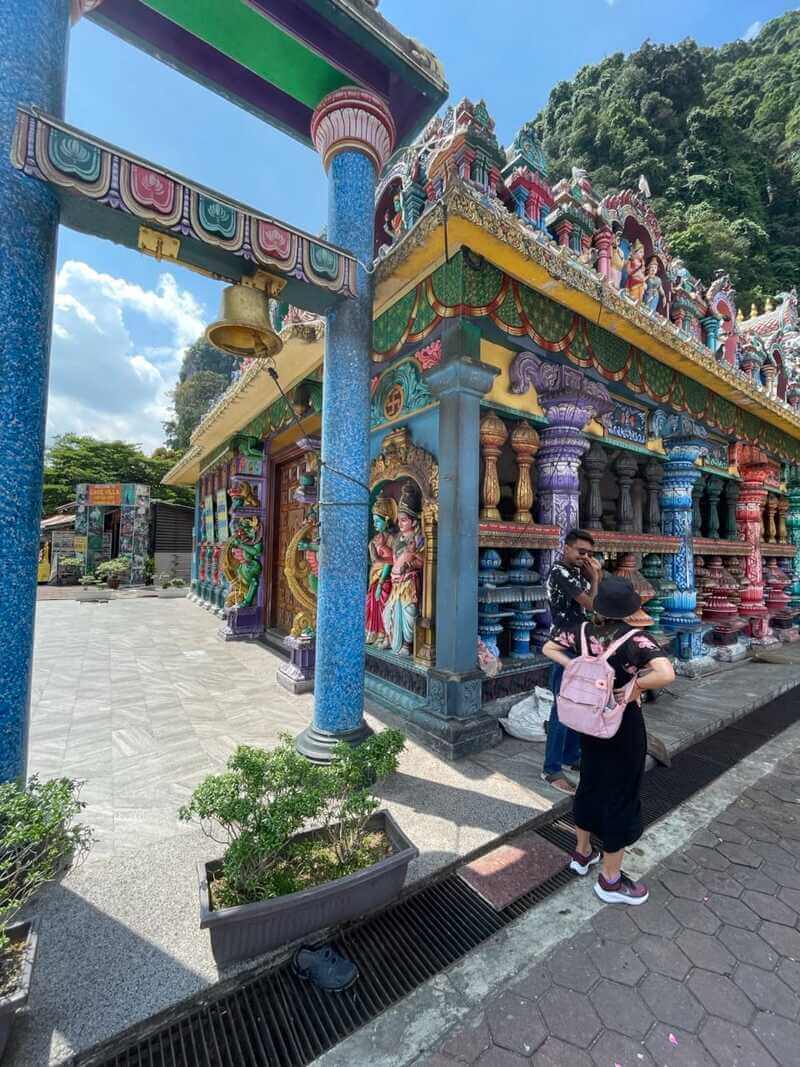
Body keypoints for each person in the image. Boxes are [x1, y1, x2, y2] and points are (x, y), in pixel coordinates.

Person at [542, 576, 675, 905]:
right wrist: (634, 688)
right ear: (630, 609)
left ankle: (582, 853)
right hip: (621, 725)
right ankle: (611, 880)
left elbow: (548, 647)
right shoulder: (636, 640)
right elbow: (666, 673)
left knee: (589, 783)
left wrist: (578, 665)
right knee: (622, 795)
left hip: (589, 722)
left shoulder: (581, 631)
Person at [542, 529, 602, 794]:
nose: (585, 557)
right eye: (580, 552)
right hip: (563, 646)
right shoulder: (560, 572)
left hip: (581, 644)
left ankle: (571, 754)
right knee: (562, 706)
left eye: (589, 553)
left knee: (579, 703)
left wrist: (591, 577)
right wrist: (596, 578)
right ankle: (551, 768)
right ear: (565, 548)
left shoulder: (577, 573)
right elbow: (591, 604)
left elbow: (594, 611)